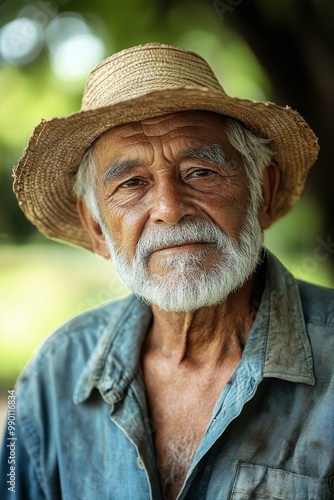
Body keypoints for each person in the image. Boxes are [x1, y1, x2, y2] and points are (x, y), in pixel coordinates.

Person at [1, 42, 333, 500]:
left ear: (264, 192)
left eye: (199, 171)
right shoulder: (52, 377)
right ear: (97, 227)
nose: (169, 209)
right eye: (132, 183)